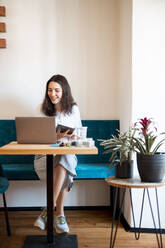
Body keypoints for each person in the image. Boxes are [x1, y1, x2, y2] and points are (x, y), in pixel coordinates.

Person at [34, 74, 82, 233]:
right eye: (49, 90)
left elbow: (80, 135)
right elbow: (37, 137)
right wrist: (56, 136)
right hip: (44, 157)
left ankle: (48, 210)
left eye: (56, 90)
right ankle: (59, 213)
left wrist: (73, 137)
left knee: (65, 156)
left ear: (64, 91)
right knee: (67, 168)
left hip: (66, 154)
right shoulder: (42, 109)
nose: (52, 94)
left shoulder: (74, 109)